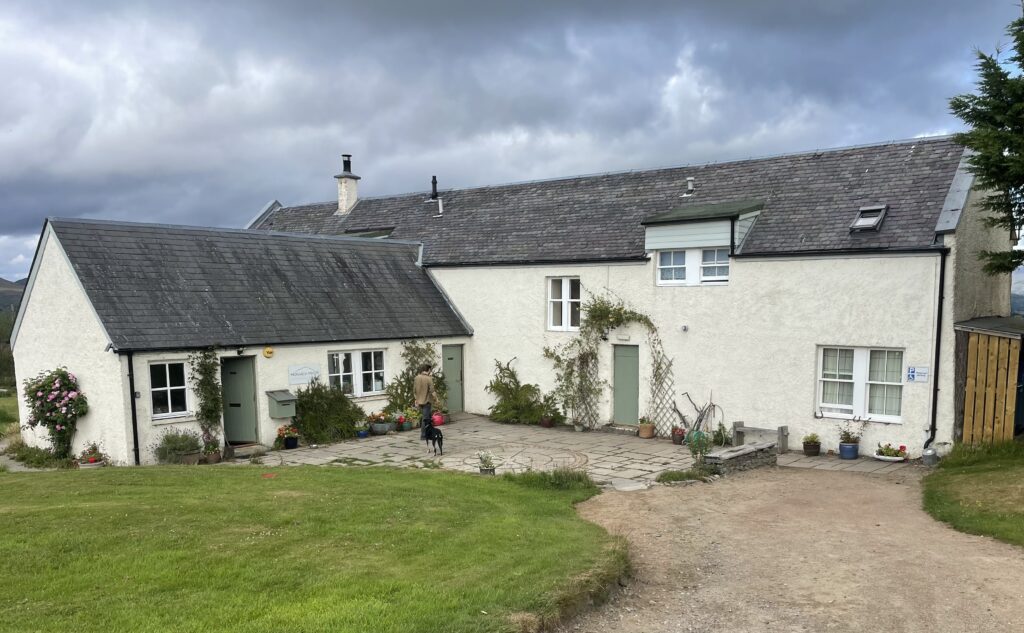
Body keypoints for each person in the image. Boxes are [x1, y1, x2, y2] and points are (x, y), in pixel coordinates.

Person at [413, 363, 437, 440]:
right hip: (426, 401)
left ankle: (429, 433)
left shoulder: (416, 378)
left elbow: (414, 390)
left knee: (427, 417)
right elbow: (432, 391)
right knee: (425, 419)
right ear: (428, 370)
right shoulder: (429, 378)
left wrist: (416, 399)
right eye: (430, 370)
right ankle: (423, 435)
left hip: (419, 401)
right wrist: (436, 399)